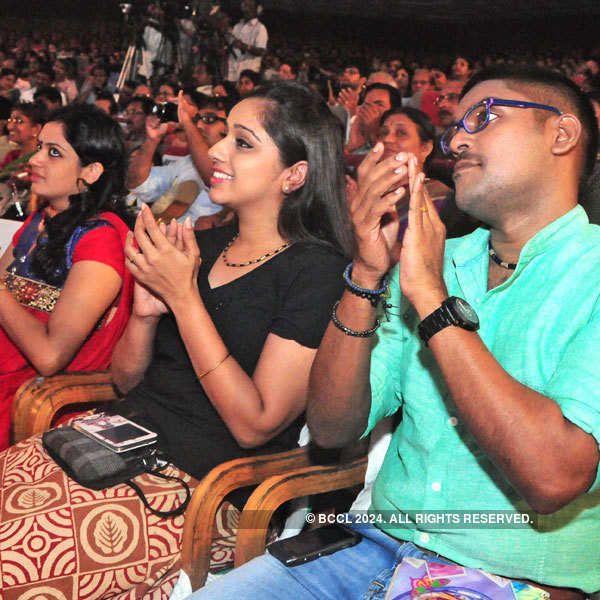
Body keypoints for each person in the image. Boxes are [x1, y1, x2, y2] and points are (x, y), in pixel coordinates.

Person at [191, 65, 600, 600]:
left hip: (508, 576)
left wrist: (432, 299)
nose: (457, 141)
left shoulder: (584, 275)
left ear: (561, 134)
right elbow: (335, 427)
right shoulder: (436, 258)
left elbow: (552, 478)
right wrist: (364, 277)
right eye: (455, 127)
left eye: (483, 117)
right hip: (372, 547)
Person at [0, 81, 351, 598]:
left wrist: (184, 301)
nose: (215, 151)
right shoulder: (198, 245)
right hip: (106, 444)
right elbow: (124, 379)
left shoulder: (316, 272)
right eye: (224, 135)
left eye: (243, 142)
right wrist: (144, 315)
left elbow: (256, 425)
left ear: (294, 175)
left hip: (199, 489)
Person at [0, 104, 133, 450]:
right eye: (39, 146)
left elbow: (49, 356)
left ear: (91, 171)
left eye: (54, 152)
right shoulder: (41, 221)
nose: (35, 159)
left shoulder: (100, 240)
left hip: (29, 395)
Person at [227, 0, 268, 82]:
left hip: (249, 74)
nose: (246, 9)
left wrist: (243, 46)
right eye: (245, 5)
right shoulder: (237, 26)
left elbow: (260, 51)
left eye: (250, 6)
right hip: (233, 71)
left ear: (257, 10)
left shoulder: (260, 28)